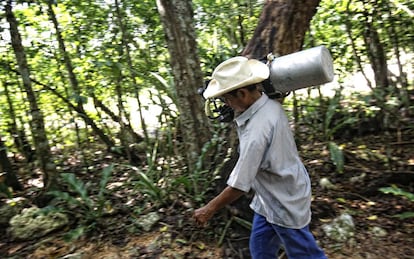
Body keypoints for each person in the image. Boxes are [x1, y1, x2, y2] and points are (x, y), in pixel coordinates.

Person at [193, 56, 327, 259]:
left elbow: (239, 185)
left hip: (284, 201)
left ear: (242, 93)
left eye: (226, 99)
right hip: (268, 199)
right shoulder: (268, 105)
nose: (226, 105)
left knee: (306, 255)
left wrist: (209, 209)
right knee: (261, 250)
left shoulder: (257, 132)